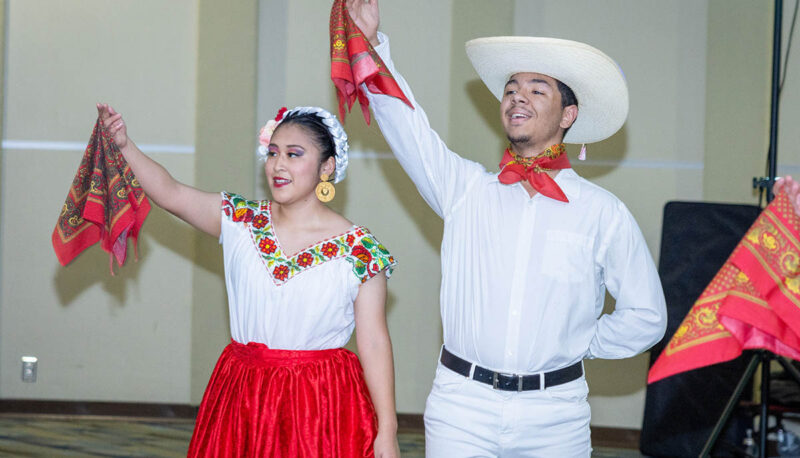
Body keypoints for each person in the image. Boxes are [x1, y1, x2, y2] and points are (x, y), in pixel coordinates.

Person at [345, 1, 668, 456]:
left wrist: (583, 341)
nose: (518, 96)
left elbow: (647, 317)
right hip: (462, 407)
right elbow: (408, 126)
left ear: (568, 116)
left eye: (538, 90)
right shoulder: (465, 190)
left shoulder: (602, 212)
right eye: (512, 88)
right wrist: (373, 44)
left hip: (556, 415)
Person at [96, 103, 400, 457]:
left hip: (321, 404)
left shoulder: (360, 250)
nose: (278, 165)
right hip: (243, 397)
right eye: (273, 153)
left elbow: (375, 344)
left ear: (327, 167)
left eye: (294, 154)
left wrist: (387, 430)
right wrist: (123, 145)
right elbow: (171, 193)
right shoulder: (243, 220)